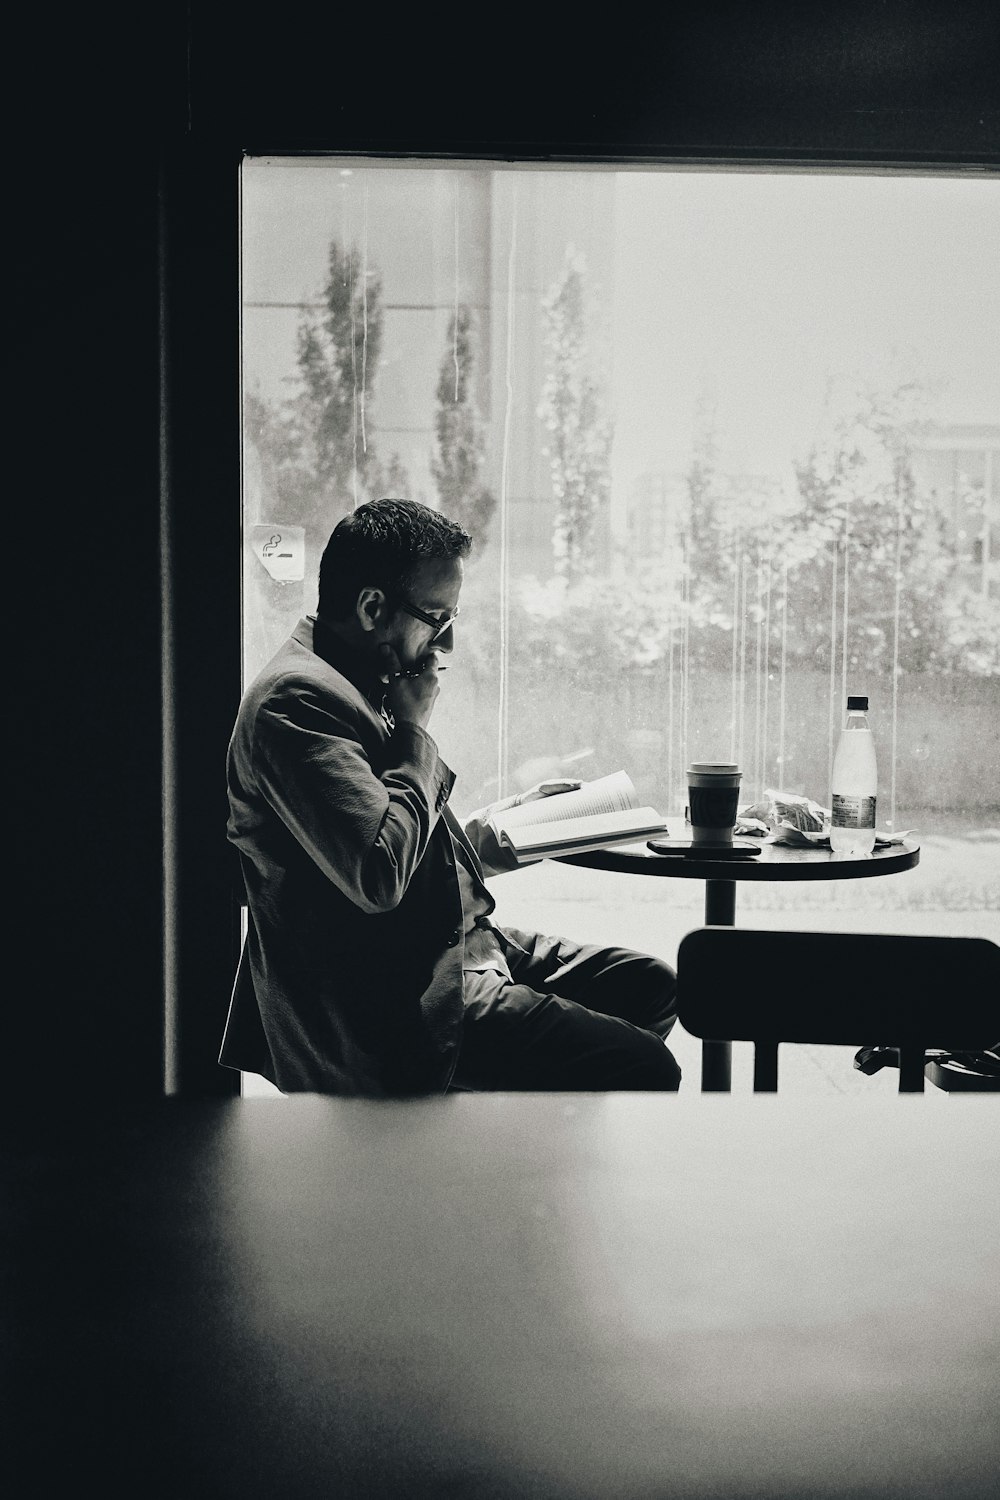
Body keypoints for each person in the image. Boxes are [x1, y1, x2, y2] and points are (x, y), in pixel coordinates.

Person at [221, 498, 681, 1095]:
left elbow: (402, 837)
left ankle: (499, 1151)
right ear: (371, 608)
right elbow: (379, 872)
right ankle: (498, 1162)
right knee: (643, 1065)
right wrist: (415, 735)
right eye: (438, 617)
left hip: (452, 944)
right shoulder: (298, 703)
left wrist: (520, 819)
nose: (449, 642)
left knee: (650, 985)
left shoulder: (358, 682)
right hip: (397, 995)